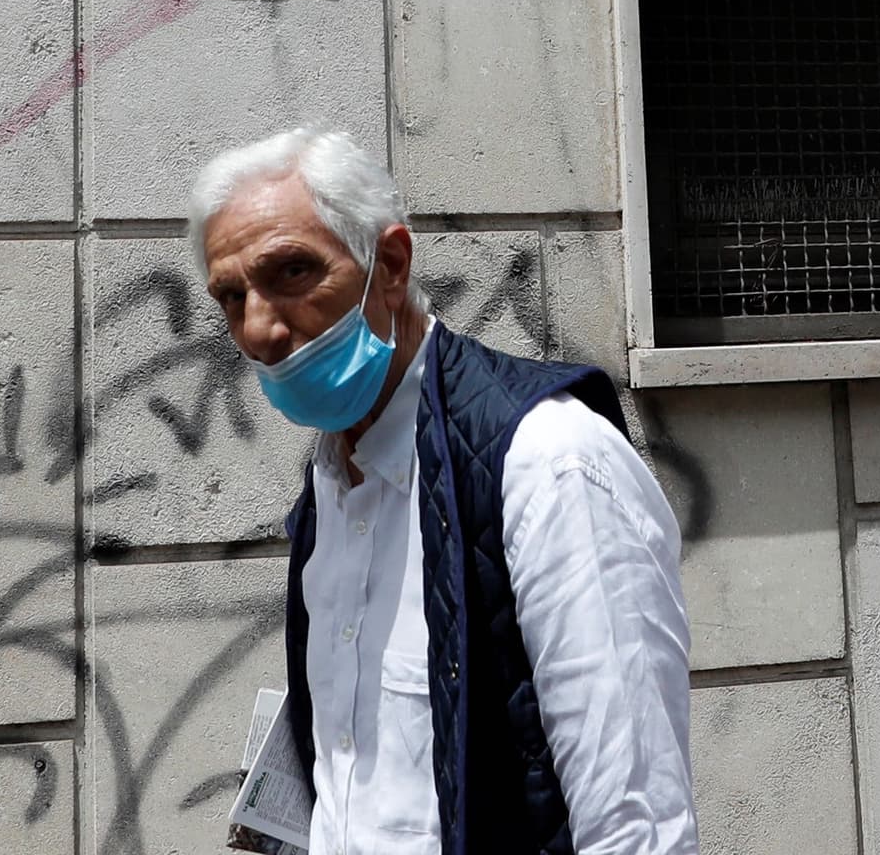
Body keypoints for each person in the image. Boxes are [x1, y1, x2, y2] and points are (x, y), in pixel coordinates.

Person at [192, 127, 698, 855]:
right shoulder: (330, 482)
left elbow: (636, 826)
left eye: (293, 273)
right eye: (231, 298)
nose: (261, 328)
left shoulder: (549, 462)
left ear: (389, 265)